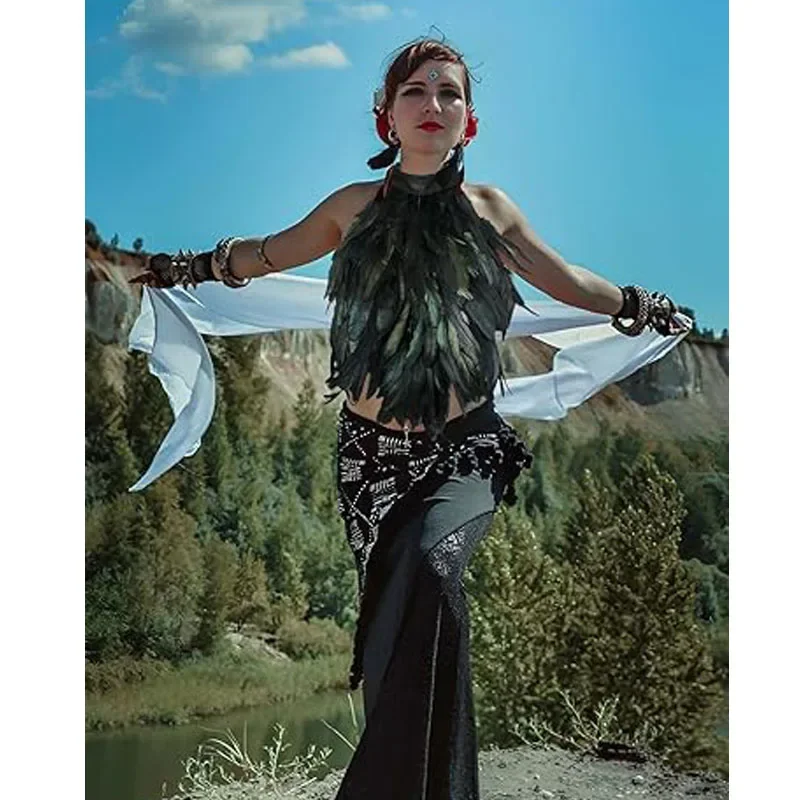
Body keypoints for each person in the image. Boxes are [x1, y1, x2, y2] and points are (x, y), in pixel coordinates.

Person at [132, 36, 687, 800]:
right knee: (393, 626)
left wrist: (637, 304)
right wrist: (189, 267)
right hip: (369, 461)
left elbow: (566, 281)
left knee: (435, 569)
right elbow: (269, 254)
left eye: (449, 93)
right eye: (415, 92)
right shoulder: (351, 209)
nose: (433, 104)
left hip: (465, 451)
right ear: (385, 116)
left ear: (470, 121)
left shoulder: (491, 212)